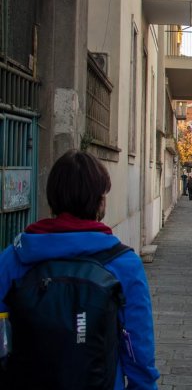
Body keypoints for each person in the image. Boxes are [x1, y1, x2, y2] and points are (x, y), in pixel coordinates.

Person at [0, 149, 159, 389]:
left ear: (52, 197)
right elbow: (138, 348)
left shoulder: (14, 258)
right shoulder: (123, 264)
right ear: (100, 201)